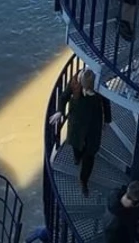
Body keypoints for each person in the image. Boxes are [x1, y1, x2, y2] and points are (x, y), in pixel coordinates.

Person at [48, 68, 111, 197]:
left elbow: (106, 103)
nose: (87, 92)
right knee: (76, 145)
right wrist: (60, 111)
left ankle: (84, 181)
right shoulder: (75, 82)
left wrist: (107, 121)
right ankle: (77, 157)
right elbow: (64, 96)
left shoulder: (100, 87)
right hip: (77, 122)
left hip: (93, 124)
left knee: (90, 154)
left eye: (90, 90)